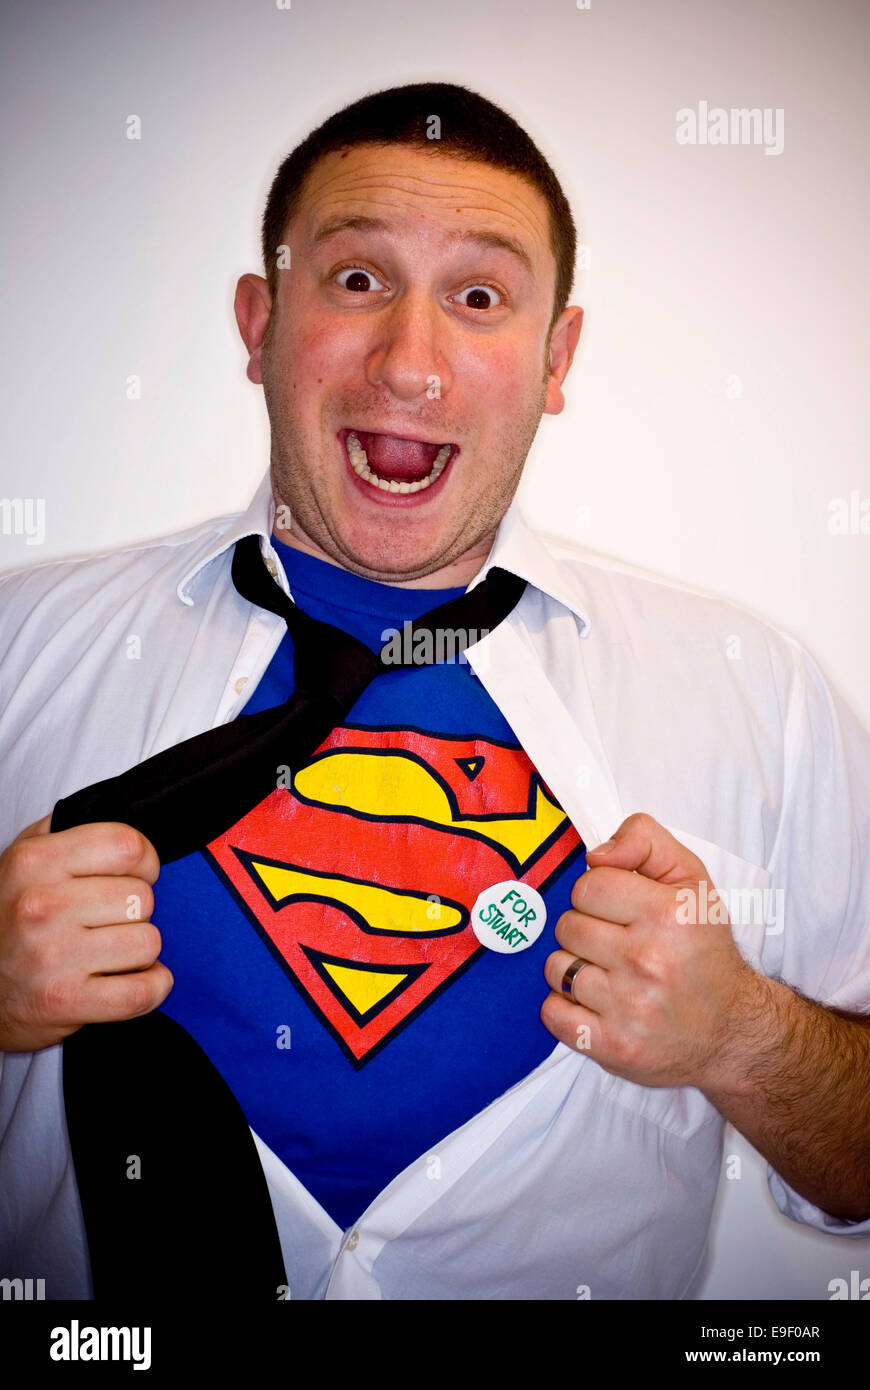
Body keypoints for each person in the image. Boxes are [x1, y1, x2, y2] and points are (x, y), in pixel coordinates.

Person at [1, 82, 869, 1302]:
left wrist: (742, 1035)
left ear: (557, 358)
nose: (411, 363)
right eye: (356, 281)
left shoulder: (758, 696)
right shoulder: (18, 648)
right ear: (259, 325)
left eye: (479, 297)